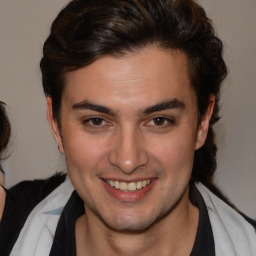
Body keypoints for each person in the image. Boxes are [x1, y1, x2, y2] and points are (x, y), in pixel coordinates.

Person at [1, 0, 256, 255]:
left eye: (159, 120)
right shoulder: (10, 226)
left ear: (202, 123)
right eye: (97, 121)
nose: (127, 160)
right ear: (55, 124)